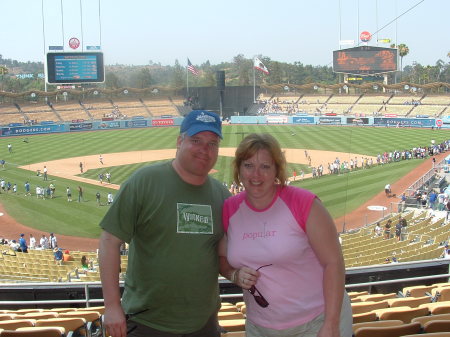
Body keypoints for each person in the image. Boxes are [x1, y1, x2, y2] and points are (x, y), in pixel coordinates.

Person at [98, 110, 230, 337]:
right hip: (147, 323)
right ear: (180, 141)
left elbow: (225, 255)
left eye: (212, 143)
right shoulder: (144, 181)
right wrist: (111, 306)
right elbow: (110, 241)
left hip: (204, 324)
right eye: (196, 140)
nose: (204, 150)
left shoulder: (222, 195)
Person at [218, 133, 352, 337]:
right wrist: (234, 275)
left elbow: (333, 262)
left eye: (265, 166)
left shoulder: (304, 203)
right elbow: (222, 259)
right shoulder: (230, 209)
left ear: (276, 171)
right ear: (238, 169)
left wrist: (331, 323)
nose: (256, 175)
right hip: (259, 327)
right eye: (248, 165)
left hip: (315, 322)